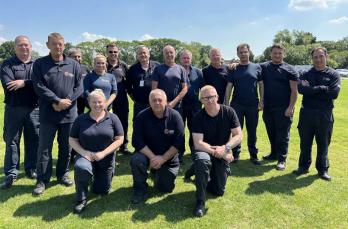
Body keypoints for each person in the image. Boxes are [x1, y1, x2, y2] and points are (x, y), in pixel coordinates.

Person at [32, 32, 83, 195]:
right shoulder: (40, 63)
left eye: (60, 44)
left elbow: (79, 87)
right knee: (44, 148)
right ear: (47, 45)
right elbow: (38, 86)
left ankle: (62, 174)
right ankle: (42, 179)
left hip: (69, 115)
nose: (57, 47)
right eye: (54, 44)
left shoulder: (74, 64)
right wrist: (55, 101)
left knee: (66, 148)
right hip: (48, 113)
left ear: (64, 45)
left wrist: (65, 101)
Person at [69, 89, 124, 214]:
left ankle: (96, 176)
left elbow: (120, 139)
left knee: (102, 190)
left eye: (100, 102)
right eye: (94, 102)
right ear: (88, 103)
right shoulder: (81, 119)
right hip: (85, 156)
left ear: (104, 103)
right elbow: (72, 139)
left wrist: (103, 153)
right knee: (81, 168)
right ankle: (81, 199)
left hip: (105, 157)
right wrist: (83, 153)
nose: (97, 105)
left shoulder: (113, 118)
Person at [192, 85, 242, 217]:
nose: (210, 100)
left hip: (222, 150)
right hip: (204, 150)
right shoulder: (198, 117)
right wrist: (218, 152)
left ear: (217, 97)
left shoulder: (229, 112)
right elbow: (198, 143)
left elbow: (238, 135)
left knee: (219, 190)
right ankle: (200, 202)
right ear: (201, 100)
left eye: (212, 97)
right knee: (203, 160)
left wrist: (226, 148)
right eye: (205, 98)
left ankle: (199, 173)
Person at [293, 47, 341, 181]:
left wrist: (312, 89)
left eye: (321, 56)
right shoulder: (306, 73)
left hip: (324, 114)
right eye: (315, 57)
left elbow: (334, 94)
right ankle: (303, 167)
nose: (318, 59)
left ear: (327, 57)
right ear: (312, 58)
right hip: (307, 113)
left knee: (323, 143)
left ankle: (322, 170)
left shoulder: (333, 75)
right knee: (305, 143)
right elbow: (302, 89)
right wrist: (322, 88)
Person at [130, 89, 184, 204]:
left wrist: (163, 159)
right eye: (154, 100)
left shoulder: (175, 116)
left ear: (165, 101)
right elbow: (137, 141)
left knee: (165, 188)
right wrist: (153, 157)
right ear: (149, 102)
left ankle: (156, 173)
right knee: (137, 159)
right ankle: (140, 189)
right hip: (147, 155)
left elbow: (179, 143)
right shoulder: (141, 116)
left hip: (168, 159)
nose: (157, 103)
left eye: (160, 100)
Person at [0, 35, 39, 189]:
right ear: (15, 47)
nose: (24, 48)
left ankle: (31, 168)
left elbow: (41, 83)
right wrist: (32, 84)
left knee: (34, 139)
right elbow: (8, 84)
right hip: (13, 109)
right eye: (20, 45)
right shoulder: (7, 64)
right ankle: (11, 172)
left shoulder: (37, 65)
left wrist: (23, 83)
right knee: (12, 141)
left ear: (31, 47)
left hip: (34, 109)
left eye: (26, 45)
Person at [260, 43, 298, 171]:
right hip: (268, 107)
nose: (277, 55)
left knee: (282, 135)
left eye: (280, 53)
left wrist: (291, 107)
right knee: (271, 132)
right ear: (270, 54)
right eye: (275, 53)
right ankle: (273, 154)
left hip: (284, 108)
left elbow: (294, 90)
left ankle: (282, 159)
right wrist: (234, 64)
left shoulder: (290, 69)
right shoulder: (264, 67)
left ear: (284, 54)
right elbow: (249, 66)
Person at [224, 43, 263, 165]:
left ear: (249, 52)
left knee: (252, 131)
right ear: (237, 54)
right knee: (236, 131)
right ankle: (235, 155)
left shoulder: (257, 67)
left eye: (245, 51)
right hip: (237, 105)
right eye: (241, 52)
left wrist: (262, 101)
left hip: (253, 105)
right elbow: (229, 86)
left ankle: (253, 155)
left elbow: (261, 85)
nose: (243, 54)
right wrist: (226, 102)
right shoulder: (234, 69)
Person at [151, 45, 188, 162]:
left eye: (171, 52)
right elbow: (154, 89)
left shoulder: (180, 69)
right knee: (162, 130)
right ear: (163, 54)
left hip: (177, 106)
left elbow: (184, 88)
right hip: (160, 107)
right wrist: (162, 103)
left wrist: (173, 102)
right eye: (166, 52)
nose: (169, 54)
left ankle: (179, 154)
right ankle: (162, 153)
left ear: (175, 54)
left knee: (178, 130)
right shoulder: (158, 69)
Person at [179, 49, 205, 179]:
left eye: (188, 58)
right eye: (184, 58)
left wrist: (202, 100)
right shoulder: (176, 70)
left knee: (194, 129)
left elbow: (203, 88)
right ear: (180, 59)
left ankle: (195, 151)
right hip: (180, 105)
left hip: (195, 106)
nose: (186, 60)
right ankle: (179, 154)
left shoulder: (198, 72)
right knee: (180, 130)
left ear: (191, 59)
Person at [106, 43, 130, 154]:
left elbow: (129, 82)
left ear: (118, 52)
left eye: (115, 51)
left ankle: (123, 146)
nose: (113, 54)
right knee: (107, 123)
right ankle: (109, 145)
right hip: (106, 101)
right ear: (107, 52)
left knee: (123, 123)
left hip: (121, 99)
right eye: (110, 52)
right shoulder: (103, 64)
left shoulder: (123, 65)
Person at [126, 45, 160, 120]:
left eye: (144, 53)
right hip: (139, 104)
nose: (142, 55)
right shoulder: (132, 69)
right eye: (140, 53)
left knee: (155, 126)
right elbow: (128, 87)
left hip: (156, 103)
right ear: (137, 56)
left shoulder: (157, 66)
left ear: (149, 54)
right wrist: (134, 98)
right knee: (138, 126)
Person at [68, 48, 90, 115]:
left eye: (79, 56)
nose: (77, 58)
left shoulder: (85, 68)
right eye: (74, 57)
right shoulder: (66, 69)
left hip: (84, 100)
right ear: (69, 57)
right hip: (71, 100)